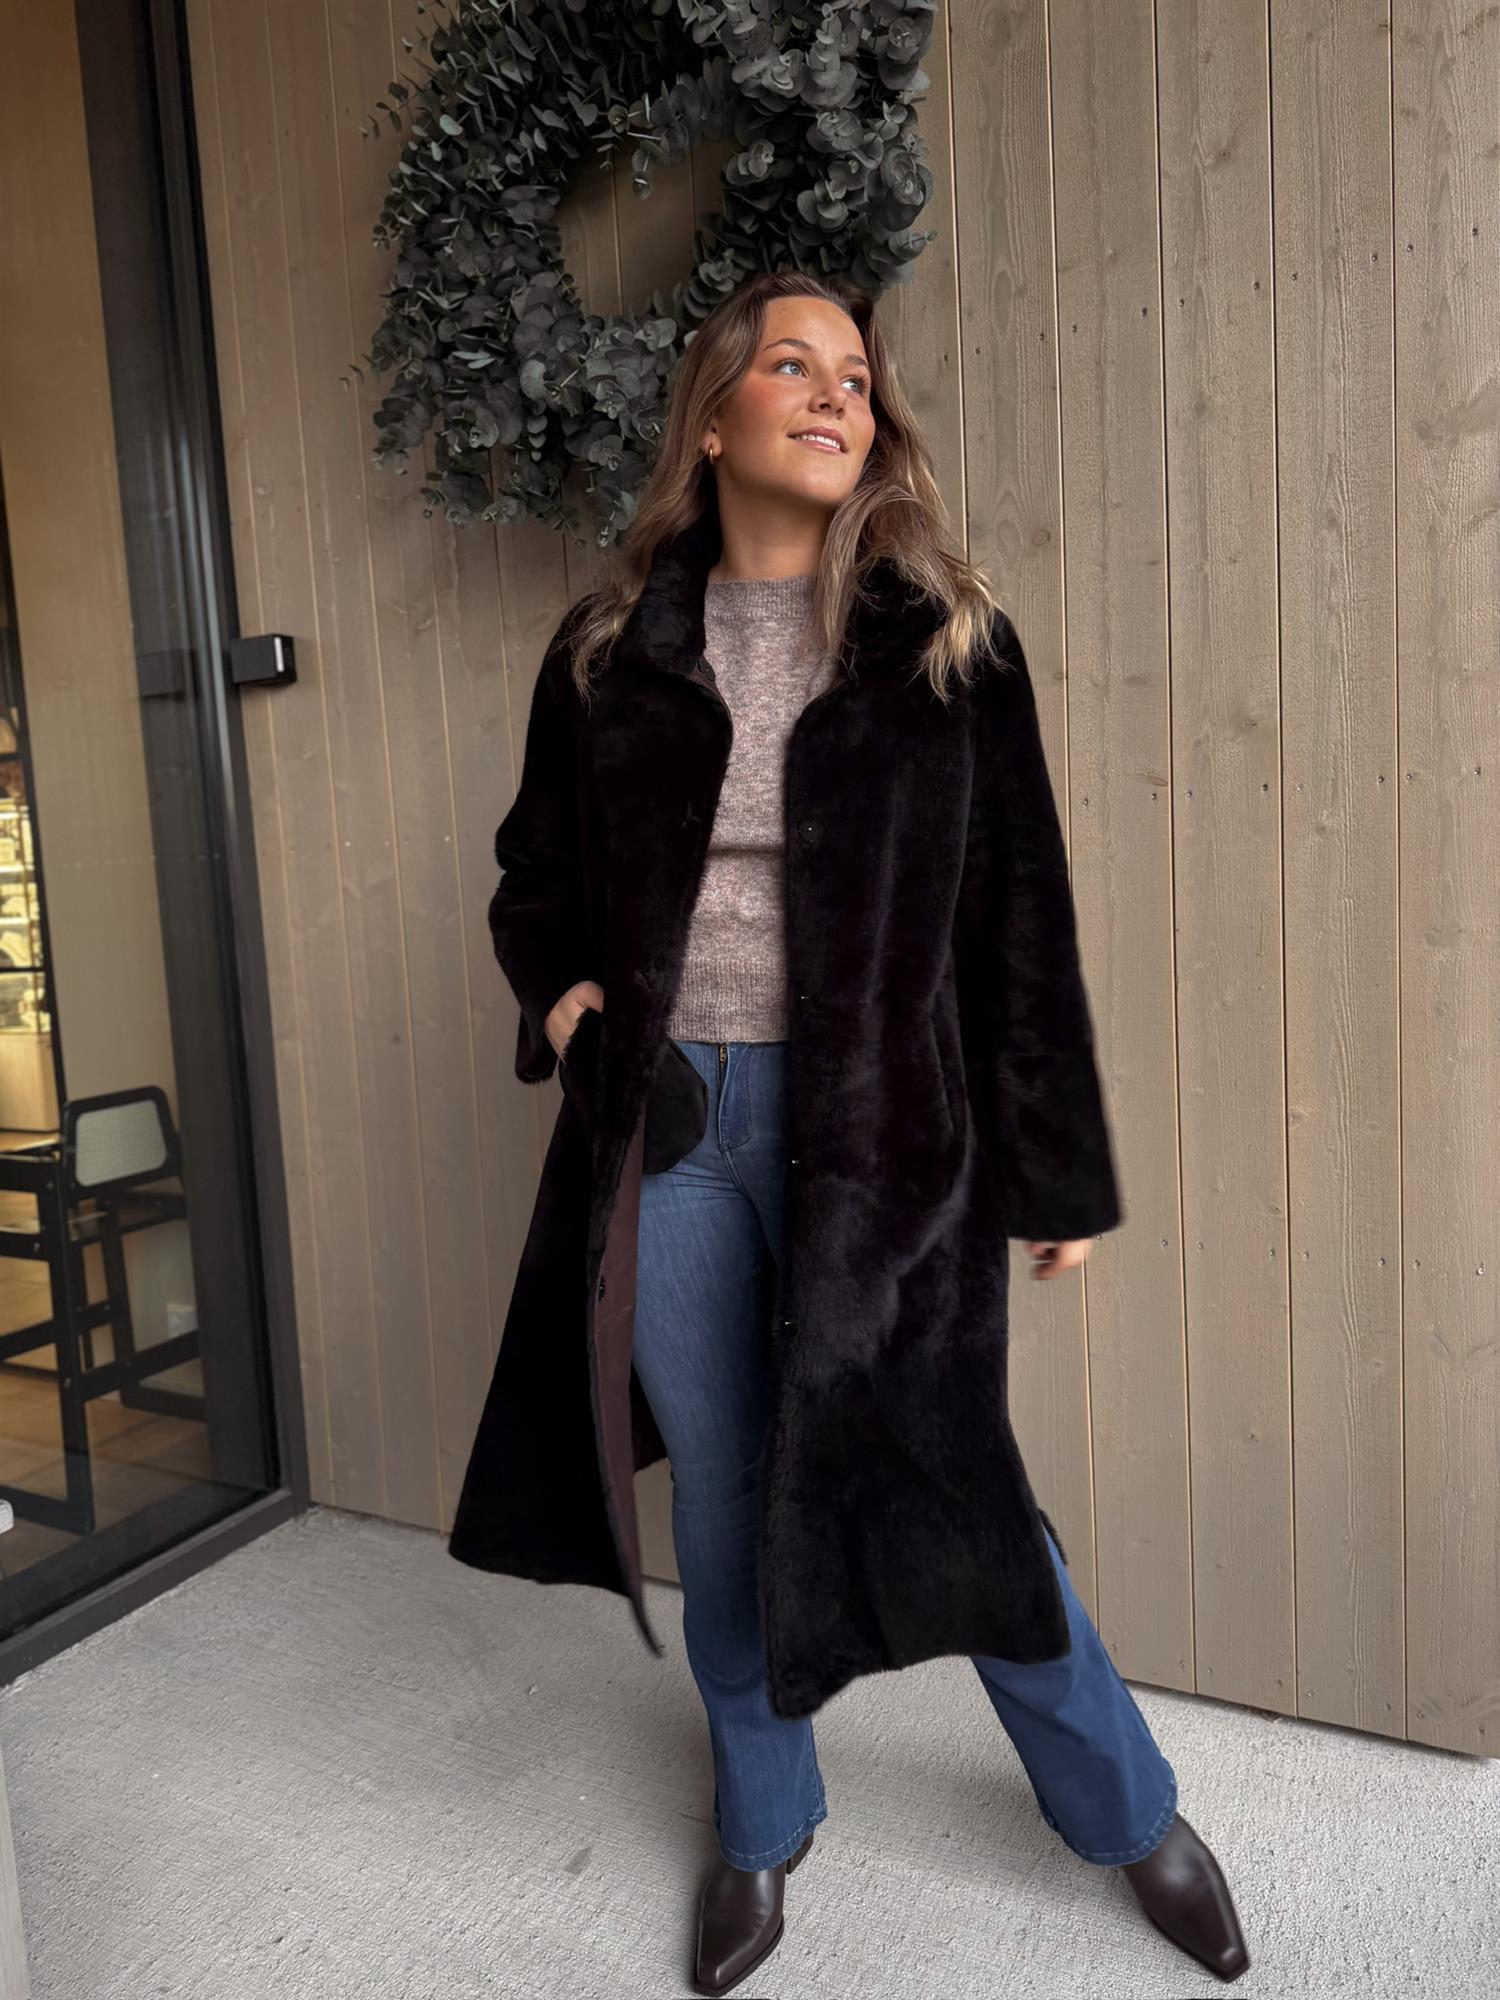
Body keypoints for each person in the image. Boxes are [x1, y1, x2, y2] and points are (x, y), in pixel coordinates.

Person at [448, 269, 1249, 1992]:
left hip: (883, 1132)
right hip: (669, 1127)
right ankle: (763, 1821)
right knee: (729, 1503)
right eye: (792, 366)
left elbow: (1021, 917)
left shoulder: (943, 643)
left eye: (858, 377)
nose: (835, 396)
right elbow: (534, 875)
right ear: (713, 416)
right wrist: (570, 1005)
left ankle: (1128, 1811)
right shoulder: (608, 649)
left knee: (954, 1486)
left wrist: (1051, 1162)